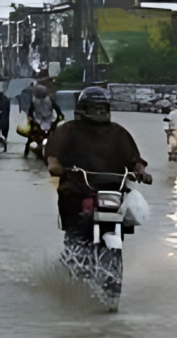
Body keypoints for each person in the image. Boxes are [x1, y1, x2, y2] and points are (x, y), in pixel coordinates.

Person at [45, 87, 152, 231]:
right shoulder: (67, 130)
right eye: (94, 108)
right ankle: (73, 235)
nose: (99, 112)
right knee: (67, 194)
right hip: (78, 186)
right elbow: (53, 156)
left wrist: (141, 172)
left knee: (127, 203)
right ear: (83, 108)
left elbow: (133, 158)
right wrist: (56, 167)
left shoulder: (117, 132)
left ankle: (118, 232)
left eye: (102, 108)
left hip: (112, 188)